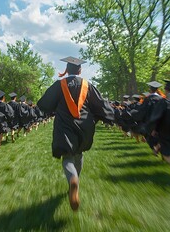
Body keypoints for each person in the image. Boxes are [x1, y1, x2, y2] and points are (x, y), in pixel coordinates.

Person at [37, 56, 114, 211]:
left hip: (64, 126)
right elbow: (100, 105)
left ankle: (72, 178)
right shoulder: (88, 85)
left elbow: (44, 104)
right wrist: (109, 117)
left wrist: (55, 109)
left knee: (67, 156)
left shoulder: (60, 85)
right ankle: (76, 178)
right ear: (80, 70)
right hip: (84, 126)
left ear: (67, 70)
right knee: (78, 153)